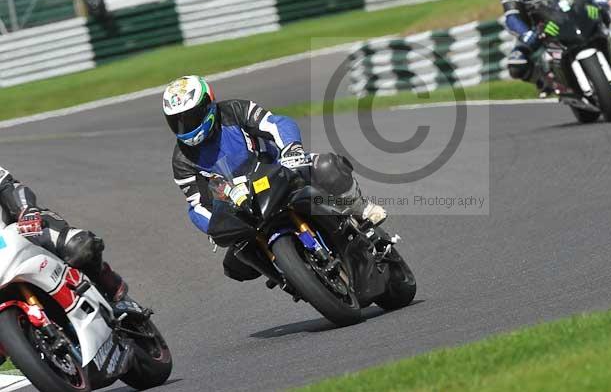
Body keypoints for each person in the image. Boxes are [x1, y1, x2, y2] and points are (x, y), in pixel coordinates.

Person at [162, 75, 386, 282]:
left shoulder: (235, 110)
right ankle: (288, 277)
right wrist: (214, 226)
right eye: (177, 121)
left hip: (277, 171)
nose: (185, 126)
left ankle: (360, 209)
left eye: (190, 117)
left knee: (326, 166)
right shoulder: (181, 161)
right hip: (242, 206)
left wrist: (291, 149)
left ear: (208, 106)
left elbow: (275, 123)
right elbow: (197, 204)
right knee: (236, 263)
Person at [0, 168, 128, 304]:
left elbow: (10, 186)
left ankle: (105, 278)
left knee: (77, 246)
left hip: (19, 231)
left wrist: (26, 210)